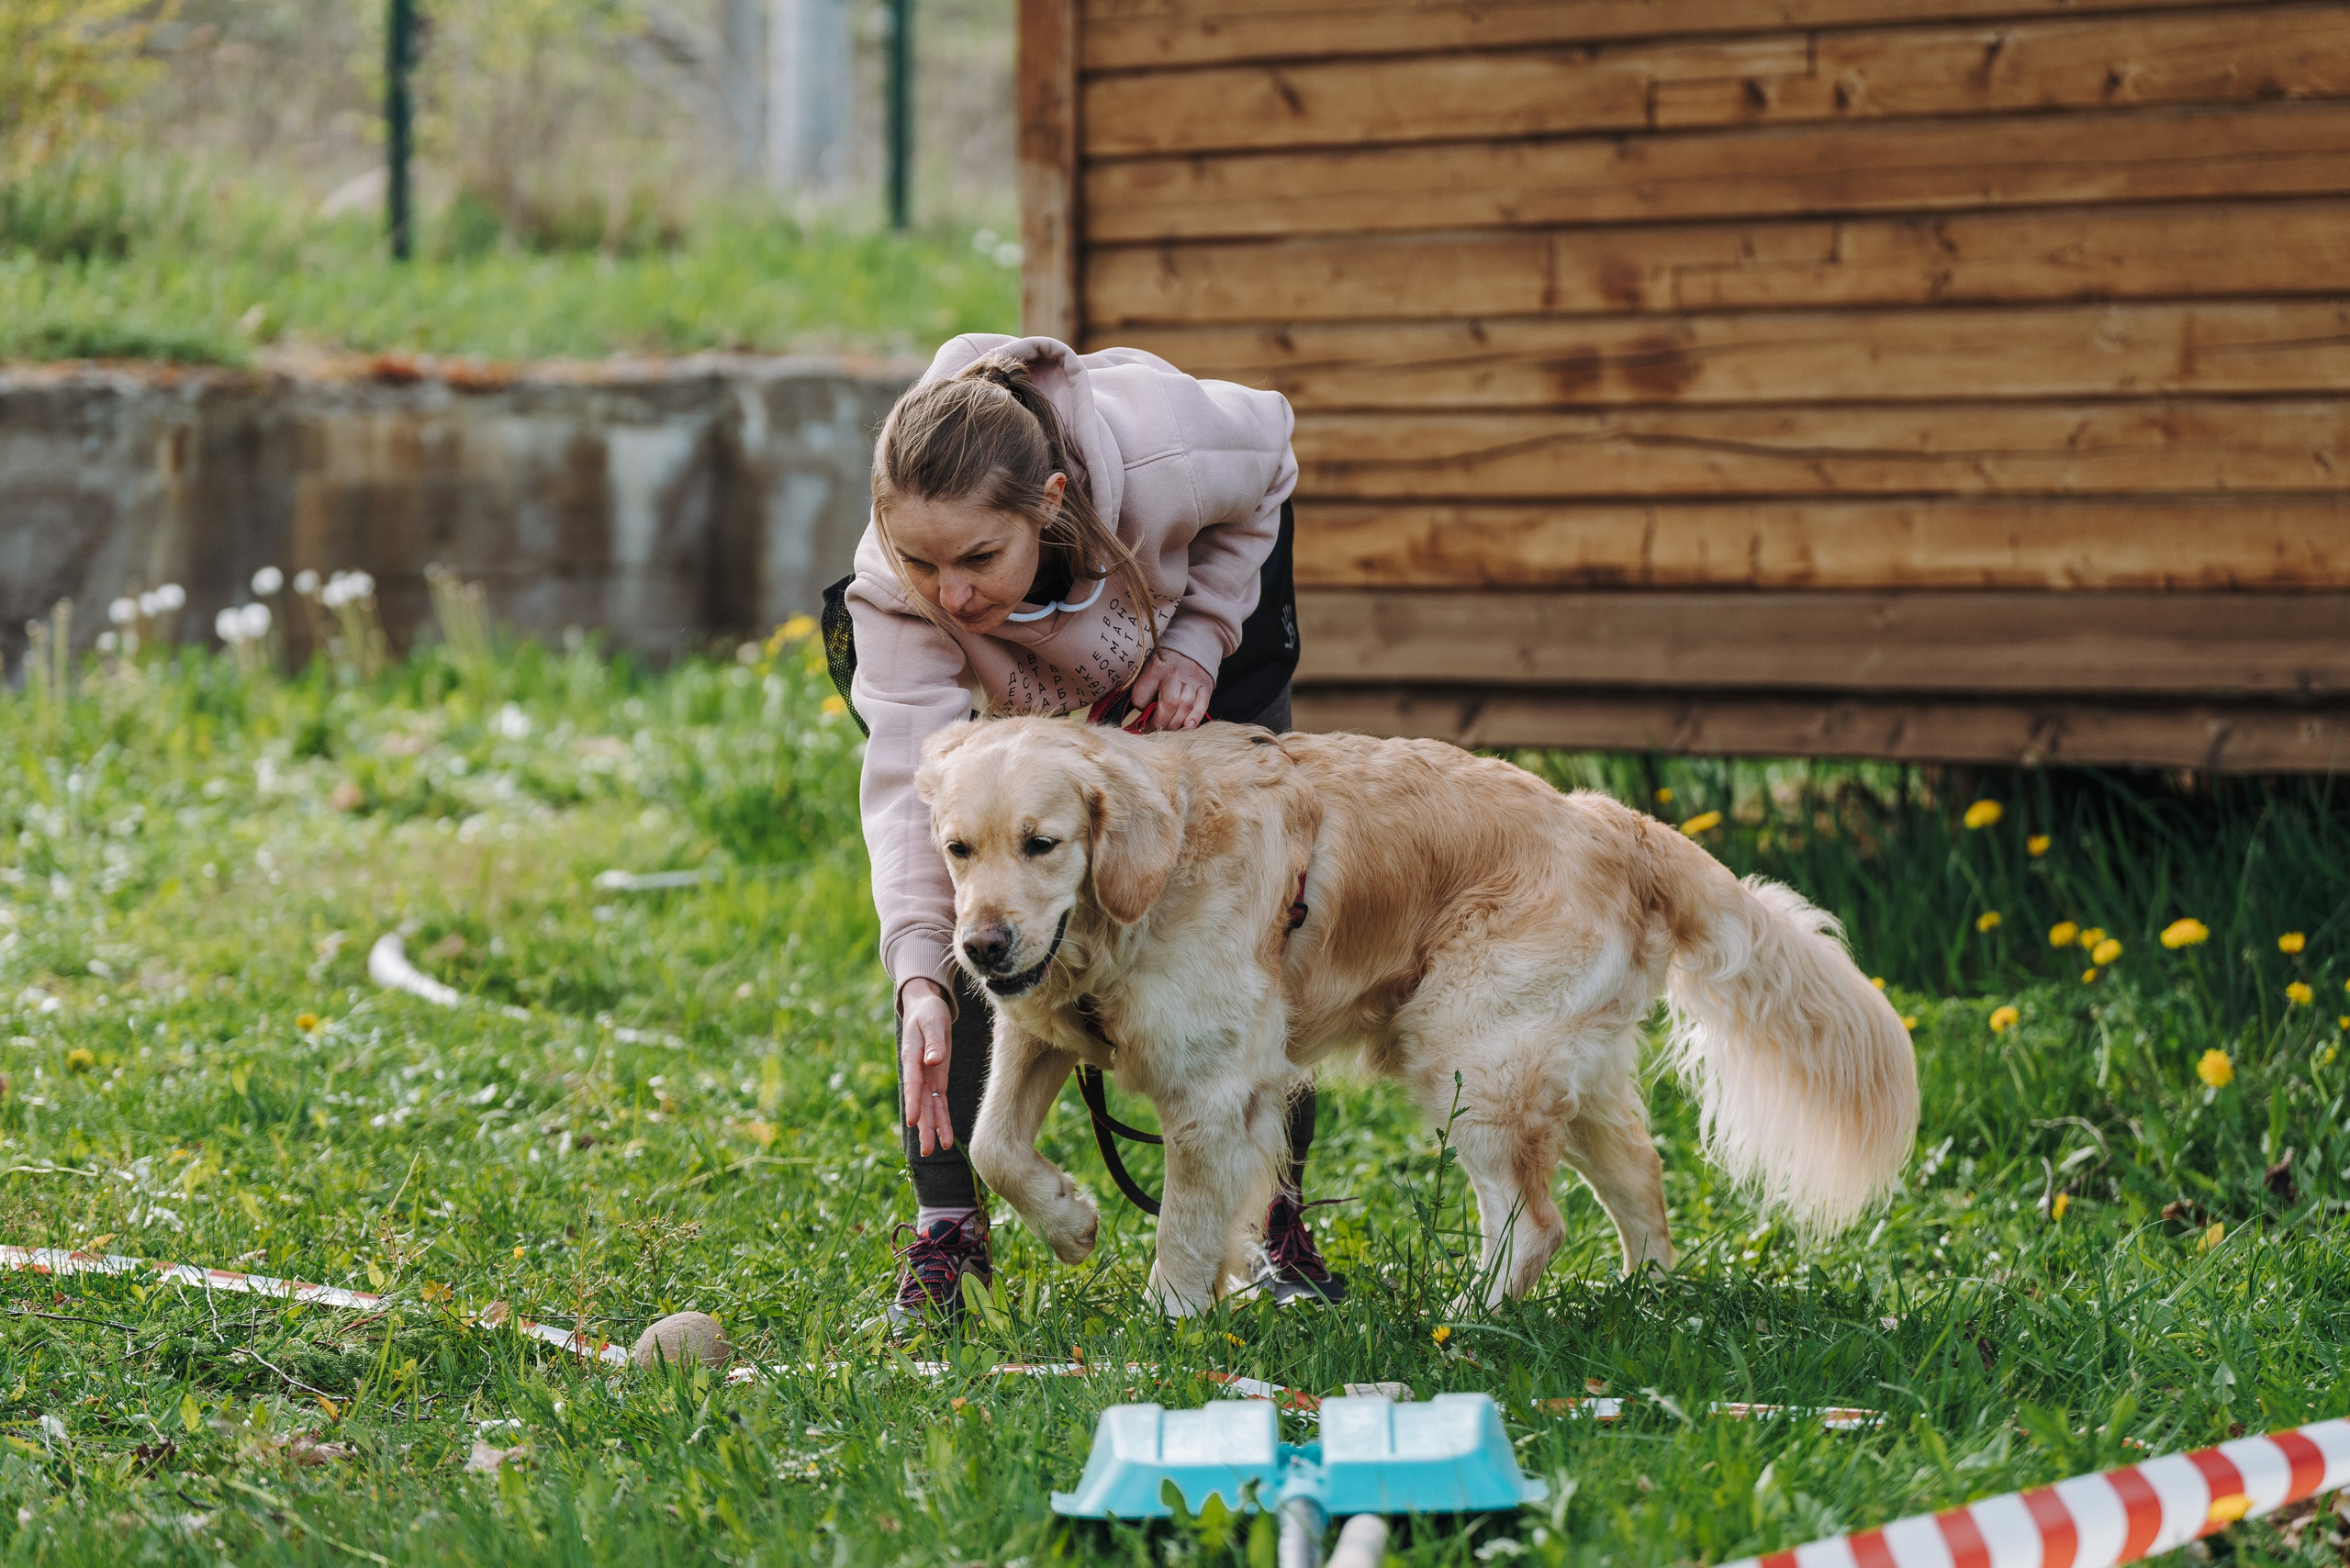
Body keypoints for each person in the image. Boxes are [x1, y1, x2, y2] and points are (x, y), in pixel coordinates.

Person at [826, 333, 1345, 1327]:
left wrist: (1200, 641)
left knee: (1256, 919)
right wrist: (917, 975)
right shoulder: (904, 592)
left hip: (1191, 626)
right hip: (1014, 703)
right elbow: (906, 795)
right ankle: (949, 1226)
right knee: (981, 902)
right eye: (921, 562)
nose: (954, 596)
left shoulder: (1162, 449)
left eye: (979, 558)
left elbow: (1273, 450)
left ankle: (1271, 1219)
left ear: (1052, 499)